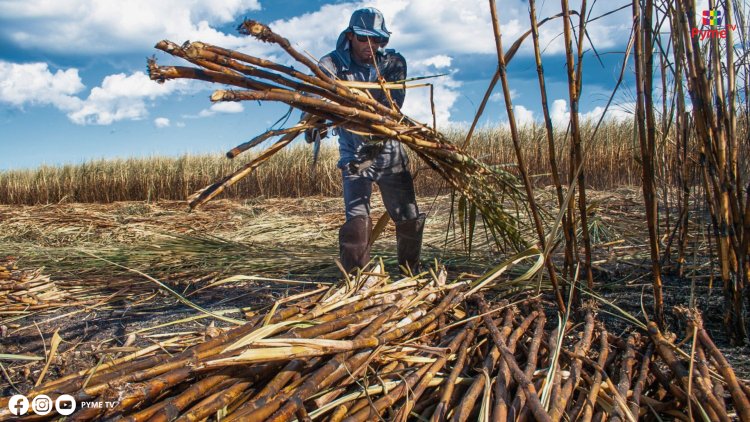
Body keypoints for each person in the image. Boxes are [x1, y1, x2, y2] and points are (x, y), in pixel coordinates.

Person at [307, 7, 425, 275]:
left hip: (388, 152)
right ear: (350, 36)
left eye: (378, 40)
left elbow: (389, 108)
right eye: (364, 38)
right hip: (354, 154)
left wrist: (342, 109)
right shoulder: (332, 64)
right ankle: (356, 279)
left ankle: (410, 272)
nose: (371, 45)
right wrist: (314, 119)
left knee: (406, 213)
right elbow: (316, 98)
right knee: (357, 216)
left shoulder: (393, 64)